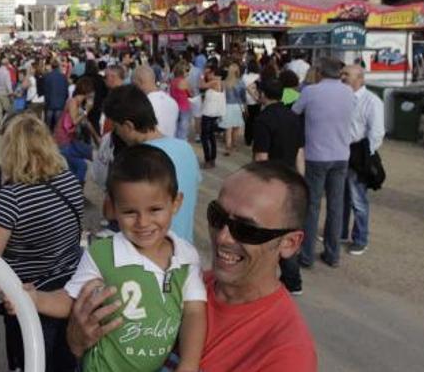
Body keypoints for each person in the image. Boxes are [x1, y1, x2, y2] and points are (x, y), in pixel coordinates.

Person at [66, 161, 317, 372]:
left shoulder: (288, 355)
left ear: (290, 243)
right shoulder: (184, 277)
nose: (222, 238)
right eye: (217, 217)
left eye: (247, 229)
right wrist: (78, 341)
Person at [27, 145, 206, 372]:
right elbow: (70, 299)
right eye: (130, 212)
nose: (143, 222)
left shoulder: (187, 256)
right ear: (112, 208)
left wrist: (189, 364)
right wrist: (33, 299)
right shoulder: (102, 253)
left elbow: (194, 312)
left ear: (176, 203)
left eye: (155, 209)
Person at [0, 113, 84, 372]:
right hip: (69, 290)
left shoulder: (10, 198)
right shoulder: (68, 180)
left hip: (28, 297)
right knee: (65, 361)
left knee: (30, 362)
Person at [104, 85, 201, 244]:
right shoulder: (186, 148)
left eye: (116, 127)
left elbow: (110, 212)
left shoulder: (135, 160)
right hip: (182, 246)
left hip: (148, 249)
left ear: (128, 126)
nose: (116, 133)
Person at [292, 57, 355, 268]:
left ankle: (307, 255)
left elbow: (295, 111)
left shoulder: (311, 92)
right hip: (341, 155)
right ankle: (332, 253)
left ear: (320, 71)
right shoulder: (349, 92)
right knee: (336, 206)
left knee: (312, 206)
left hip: (317, 156)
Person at [252, 78, 306, 294]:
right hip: (291, 177)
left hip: (272, 180)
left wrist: (258, 185)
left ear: (263, 94)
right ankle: (293, 280)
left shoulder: (263, 119)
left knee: (268, 231)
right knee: (288, 228)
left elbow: (261, 156)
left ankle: (267, 278)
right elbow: (300, 151)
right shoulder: (293, 116)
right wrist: (300, 179)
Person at [341, 65, 385, 255]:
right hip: (340, 153)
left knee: (358, 200)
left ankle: (360, 239)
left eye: (346, 75)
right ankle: (340, 232)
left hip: (358, 155)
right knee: (341, 197)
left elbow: (377, 132)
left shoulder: (372, 101)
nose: (342, 77)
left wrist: (364, 156)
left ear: (360, 78)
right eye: (342, 74)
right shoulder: (342, 97)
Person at [53, 77, 99, 185]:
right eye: (92, 91)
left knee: (82, 163)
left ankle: (74, 187)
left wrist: (96, 136)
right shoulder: (73, 102)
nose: (93, 94)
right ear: (87, 91)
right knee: (81, 166)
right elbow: (74, 121)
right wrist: (86, 110)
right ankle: (75, 190)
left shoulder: (77, 104)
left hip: (68, 140)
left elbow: (86, 123)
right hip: (63, 141)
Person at [133, 65, 178, 138]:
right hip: (169, 146)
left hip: (151, 147)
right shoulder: (172, 101)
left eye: (135, 84)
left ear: (140, 82)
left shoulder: (144, 104)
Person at [199, 64, 225, 169]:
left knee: (205, 137)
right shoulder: (220, 82)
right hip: (213, 113)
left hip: (209, 113)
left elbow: (201, 86)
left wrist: (201, 76)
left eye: (208, 73)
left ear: (213, 73)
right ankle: (212, 159)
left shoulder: (215, 82)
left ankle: (208, 160)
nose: (206, 75)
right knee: (211, 136)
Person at [220, 62, 246, 156]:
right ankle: (234, 146)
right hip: (237, 106)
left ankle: (228, 147)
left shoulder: (224, 82)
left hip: (226, 106)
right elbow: (243, 97)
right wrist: (245, 107)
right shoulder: (240, 82)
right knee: (236, 128)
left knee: (228, 129)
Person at [42, 59, 69, 131]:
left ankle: (47, 138)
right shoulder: (63, 77)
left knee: (48, 125)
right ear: (58, 66)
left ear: (51, 66)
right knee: (58, 125)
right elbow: (66, 90)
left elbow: (45, 90)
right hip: (60, 103)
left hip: (50, 103)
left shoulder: (47, 76)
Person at [169, 62, 193, 140]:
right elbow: (191, 94)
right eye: (186, 71)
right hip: (184, 107)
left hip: (174, 107)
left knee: (175, 127)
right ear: (182, 71)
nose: (188, 73)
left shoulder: (173, 81)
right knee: (183, 130)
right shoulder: (184, 82)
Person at [243, 60, 262, 146]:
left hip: (247, 100)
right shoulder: (259, 76)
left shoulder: (244, 77)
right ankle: (255, 137)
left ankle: (248, 139)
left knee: (248, 120)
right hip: (257, 100)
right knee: (256, 119)